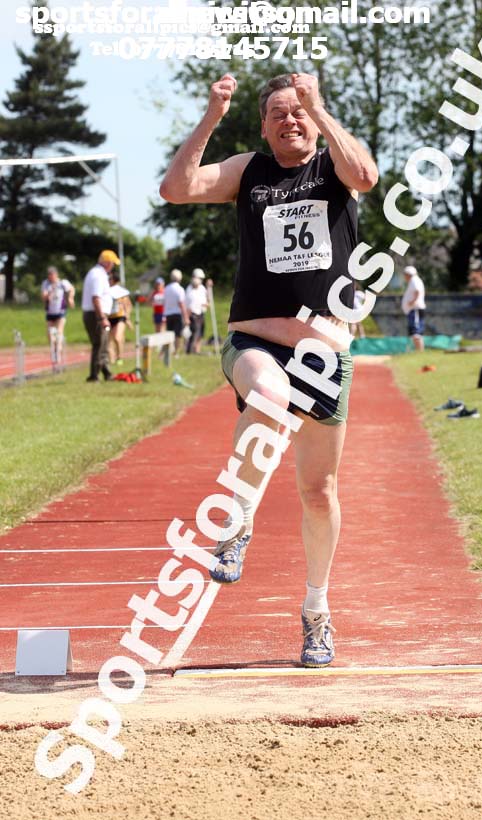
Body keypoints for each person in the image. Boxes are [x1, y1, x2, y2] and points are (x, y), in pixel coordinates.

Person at [160, 72, 378, 667]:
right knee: (270, 393)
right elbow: (176, 189)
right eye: (279, 112)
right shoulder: (248, 170)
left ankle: (316, 613)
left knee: (319, 490)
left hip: (324, 354)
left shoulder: (336, 164)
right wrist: (210, 115)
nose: (291, 119)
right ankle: (237, 521)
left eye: (299, 110)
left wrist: (322, 109)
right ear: (262, 125)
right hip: (255, 342)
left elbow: (367, 176)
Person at [82, 249, 119, 382]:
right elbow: (96, 298)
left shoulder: (98, 273)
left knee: (102, 344)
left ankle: (106, 372)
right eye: (113, 263)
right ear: (108, 263)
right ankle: (94, 375)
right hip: (96, 314)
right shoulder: (98, 275)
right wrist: (102, 317)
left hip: (96, 313)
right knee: (99, 344)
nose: (113, 266)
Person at [40, 266, 75, 369]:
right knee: (50, 335)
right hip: (50, 312)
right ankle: (54, 349)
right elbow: (43, 296)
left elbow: (72, 289)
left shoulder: (63, 283)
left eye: (52, 275)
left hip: (61, 312)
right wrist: (47, 295)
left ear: (56, 275)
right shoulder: (46, 284)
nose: (51, 277)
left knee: (59, 332)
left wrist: (70, 298)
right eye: (49, 275)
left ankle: (58, 354)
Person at [163, 269, 190, 356]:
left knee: (169, 334)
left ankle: (168, 351)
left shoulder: (166, 288)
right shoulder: (180, 289)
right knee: (177, 335)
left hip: (168, 314)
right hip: (177, 314)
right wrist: (186, 317)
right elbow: (181, 304)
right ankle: (175, 353)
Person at [108, 270, 133, 365]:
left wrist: (127, 317)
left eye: (110, 279)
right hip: (109, 318)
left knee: (117, 338)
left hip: (120, 317)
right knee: (109, 340)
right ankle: (111, 360)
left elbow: (128, 305)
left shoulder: (121, 292)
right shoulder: (106, 291)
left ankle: (119, 358)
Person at [401, 265, 426, 352]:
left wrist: (412, 302)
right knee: (415, 332)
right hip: (413, 310)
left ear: (408, 274)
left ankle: (420, 352)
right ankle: (418, 351)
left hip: (415, 309)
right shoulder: (413, 281)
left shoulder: (414, 280)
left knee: (417, 332)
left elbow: (417, 291)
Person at [185, 268, 209, 353]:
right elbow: (189, 304)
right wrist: (187, 317)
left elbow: (205, 299)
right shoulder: (189, 289)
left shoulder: (202, 288)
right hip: (193, 314)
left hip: (201, 313)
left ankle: (197, 350)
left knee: (200, 332)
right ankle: (190, 350)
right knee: (194, 332)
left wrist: (209, 287)